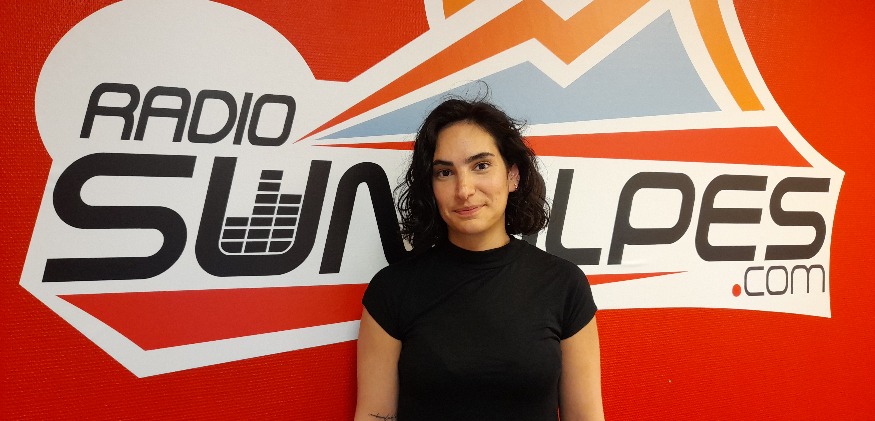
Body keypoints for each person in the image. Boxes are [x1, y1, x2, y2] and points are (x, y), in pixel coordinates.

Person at [355, 98, 604, 421]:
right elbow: (374, 416)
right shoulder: (392, 289)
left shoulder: (564, 284)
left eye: (481, 166)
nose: (464, 190)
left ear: (512, 175)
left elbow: (585, 415)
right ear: (431, 187)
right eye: (445, 172)